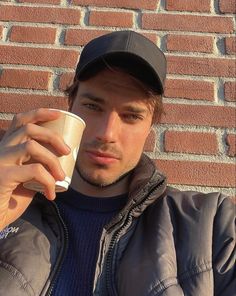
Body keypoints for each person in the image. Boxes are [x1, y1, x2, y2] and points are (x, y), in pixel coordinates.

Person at [0, 30, 235, 296]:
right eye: (93, 106)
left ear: (150, 126)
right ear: (71, 105)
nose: (107, 134)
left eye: (131, 115)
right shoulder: (11, 201)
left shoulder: (210, 224)